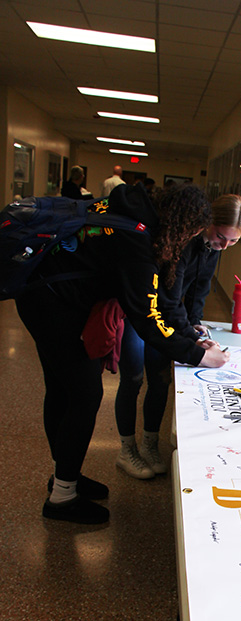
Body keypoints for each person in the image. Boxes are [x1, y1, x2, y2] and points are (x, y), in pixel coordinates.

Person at [15, 182, 229, 524]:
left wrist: (188, 336)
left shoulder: (133, 210)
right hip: (51, 303)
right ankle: (62, 498)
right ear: (180, 224)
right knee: (85, 395)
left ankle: (64, 476)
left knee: (62, 389)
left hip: (45, 295)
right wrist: (197, 355)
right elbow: (147, 317)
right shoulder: (138, 241)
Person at [114, 194, 241, 478]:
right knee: (134, 376)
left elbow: (198, 290)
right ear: (207, 222)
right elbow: (170, 295)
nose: (224, 245)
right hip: (140, 312)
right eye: (221, 236)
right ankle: (127, 449)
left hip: (167, 315)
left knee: (160, 377)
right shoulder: (185, 238)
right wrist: (191, 339)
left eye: (233, 241)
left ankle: (150, 444)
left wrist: (195, 326)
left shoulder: (213, 247)